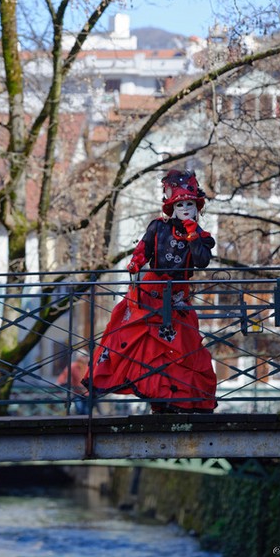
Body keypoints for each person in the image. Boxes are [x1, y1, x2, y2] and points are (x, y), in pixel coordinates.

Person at [82, 169, 217, 413]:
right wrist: (135, 262)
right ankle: (157, 397)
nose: (185, 208)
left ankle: (174, 399)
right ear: (171, 206)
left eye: (189, 203)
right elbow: (143, 249)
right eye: (181, 204)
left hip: (177, 296)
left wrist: (192, 235)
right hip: (151, 293)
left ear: (197, 207)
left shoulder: (202, 237)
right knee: (144, 346)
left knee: (181, 348)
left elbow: (201, 262)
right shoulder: (158, 227)